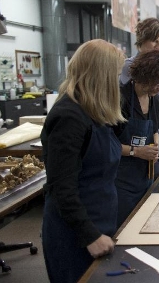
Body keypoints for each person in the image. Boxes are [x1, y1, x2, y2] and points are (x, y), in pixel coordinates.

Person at [41, 39, 126, 282]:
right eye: (116, 75)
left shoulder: (94, 112)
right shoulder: (68, 117)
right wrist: (88, 235)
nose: (119, 83)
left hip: (100, 220)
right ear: (103, 76)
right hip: (75, 233)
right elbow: (62, 187)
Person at [115, 49, 159, 228]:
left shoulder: (156, 102)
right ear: (146, 74)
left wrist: (156, 142)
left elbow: (154, 130)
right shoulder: (119, 99)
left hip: (144, 178)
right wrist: (136, 151)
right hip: (120, 182)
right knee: (124, 229)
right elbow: (106, 144)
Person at [119, 17, 159, 173]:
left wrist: (157, 101)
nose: (158, 47)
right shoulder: (128, 67)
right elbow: (128, 101)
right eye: (155, 41)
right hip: (134, 141)